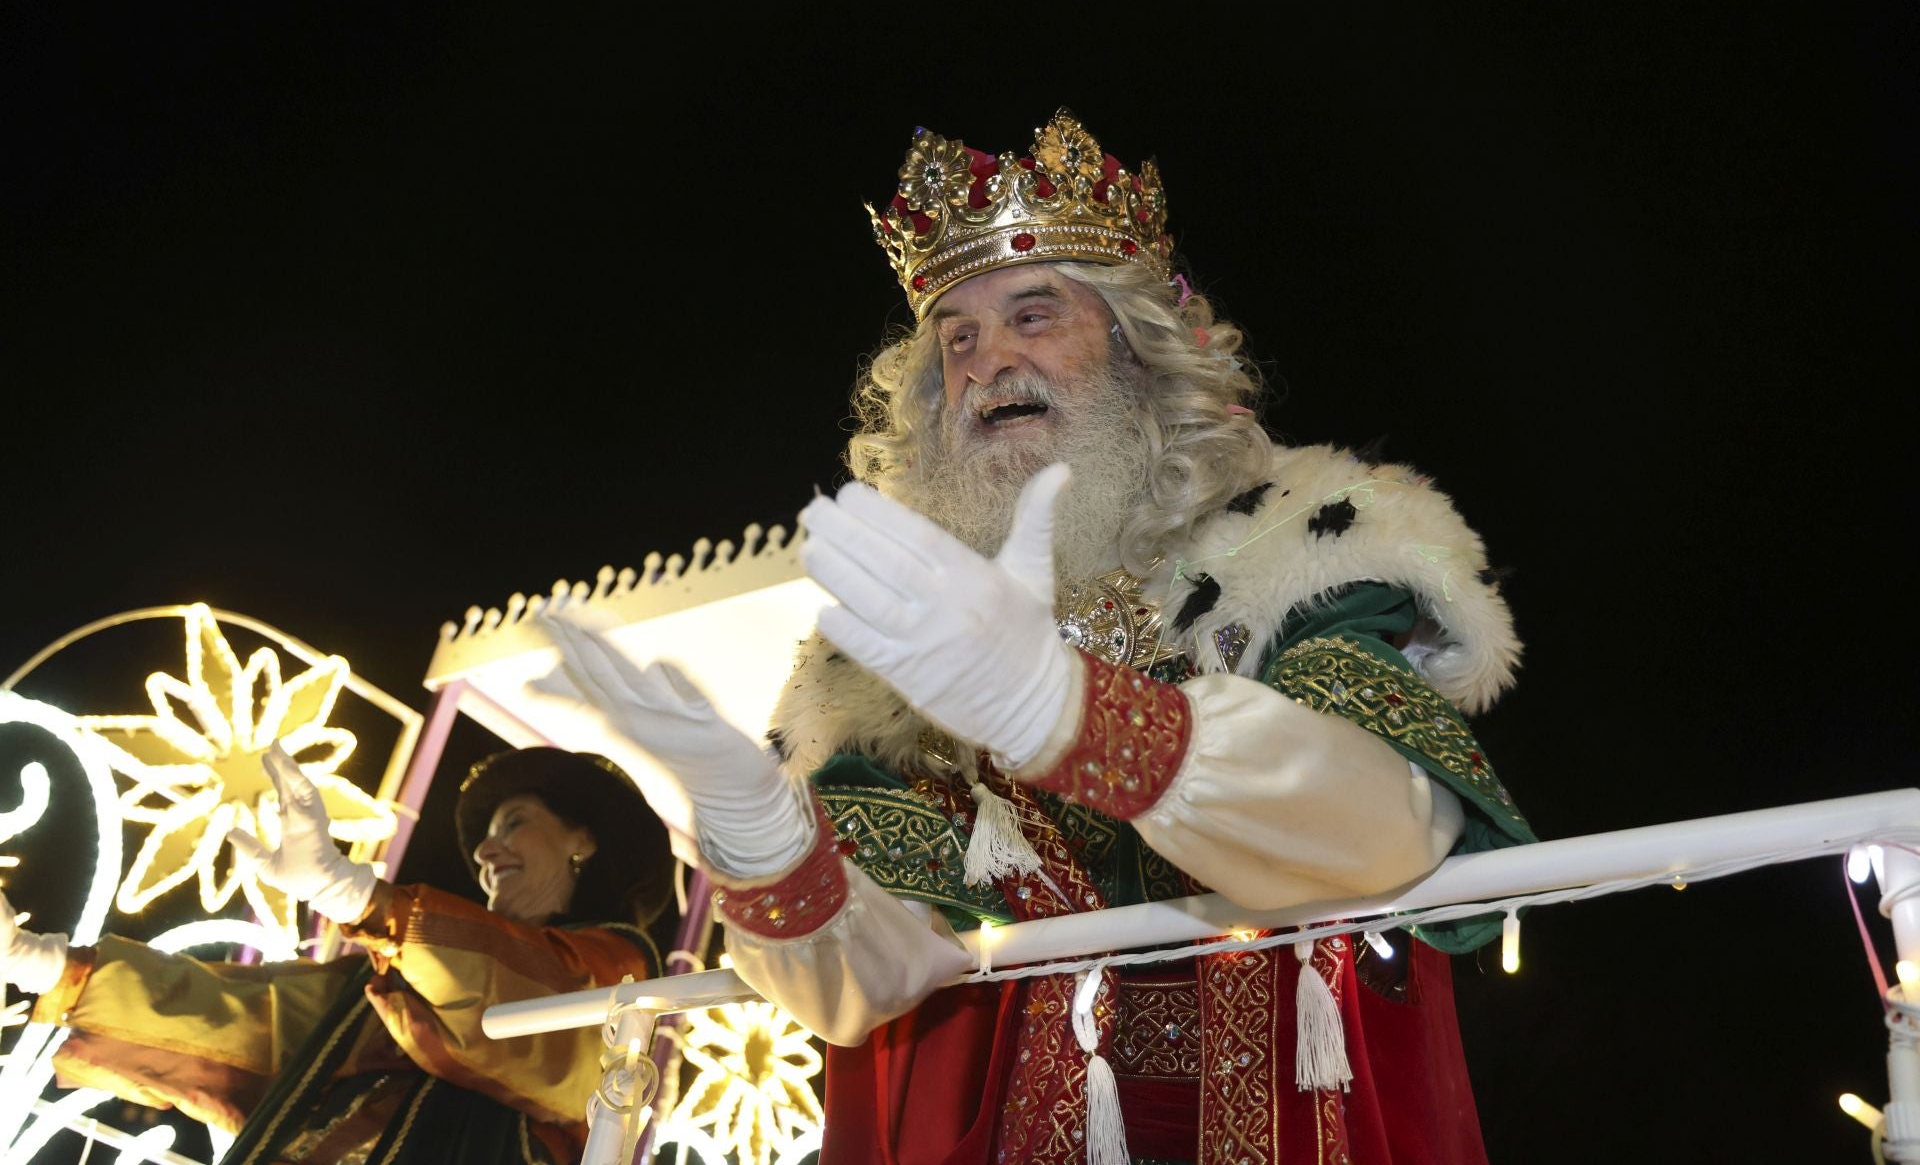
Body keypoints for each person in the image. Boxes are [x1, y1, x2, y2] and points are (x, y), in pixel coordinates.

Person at [539, 108, 1533, 1165]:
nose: (987, 360)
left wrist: (1060, 710)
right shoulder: (879, 666)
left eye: (1031, 313)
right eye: (956, 339)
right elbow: (867, 985)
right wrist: (757, 832)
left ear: (1139, 351)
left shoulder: (1299, 540)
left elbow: (1385, 828)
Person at [0, 744, 673, 1164]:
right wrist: (41, 962)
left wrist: (352, 894)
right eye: (484, 839)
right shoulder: (396, 970)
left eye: (515, 823)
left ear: (582, 841)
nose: (484, 852)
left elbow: (535, 1015)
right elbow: (257, 1014)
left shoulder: (618, 967)